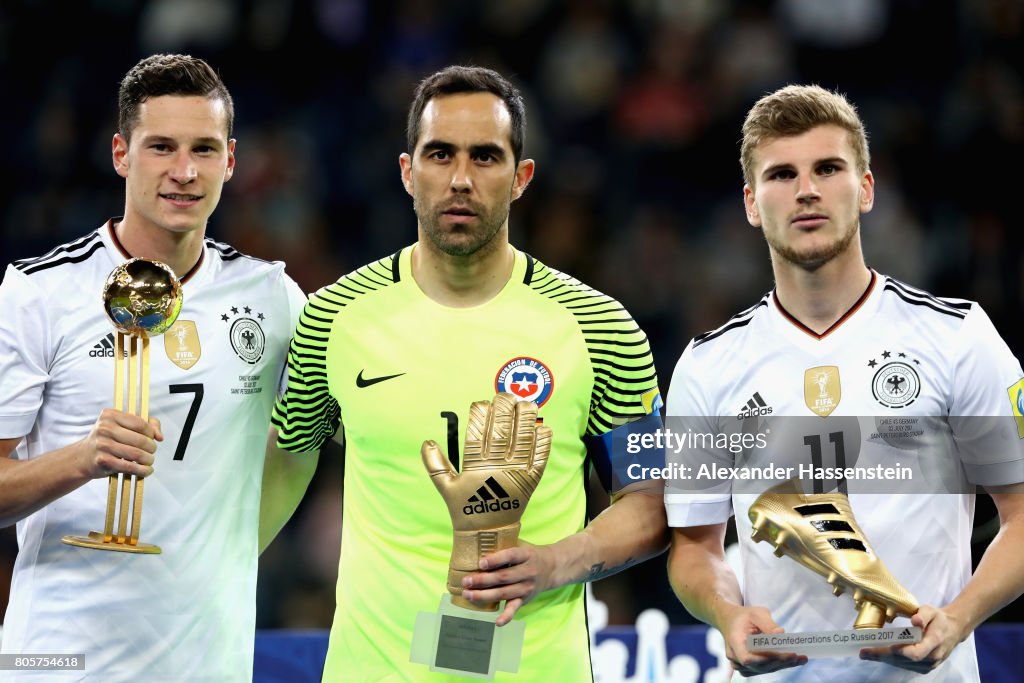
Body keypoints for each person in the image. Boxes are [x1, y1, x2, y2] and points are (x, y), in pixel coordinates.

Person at [272, 65, 667, 681]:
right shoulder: (333, 316)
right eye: (440, 155)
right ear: (408, 172)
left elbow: (652, 503)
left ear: (521, 177)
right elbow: (288, 455)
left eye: (486, 157)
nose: (460, 179)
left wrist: (558, 561)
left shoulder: (598, 325)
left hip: (536, 669)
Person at [665, 84, 1024, 681]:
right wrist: (727, 613)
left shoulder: (957, 336)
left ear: (865, 189)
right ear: (752, 203)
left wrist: (959, 618)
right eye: (782, 174)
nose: (806, 190)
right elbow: (695, 547)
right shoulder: (709, 364)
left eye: (828, 168)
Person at [0, 54, 315, 681]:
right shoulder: (38, 292)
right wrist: (82, 458)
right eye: (161, 147)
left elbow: (304, 447)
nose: (183, 171)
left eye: (203, 148)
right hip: (56, 661)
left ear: (230, 160)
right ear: (121, 154)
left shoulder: (273, 299)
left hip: (208, 663)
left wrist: (230, 552)